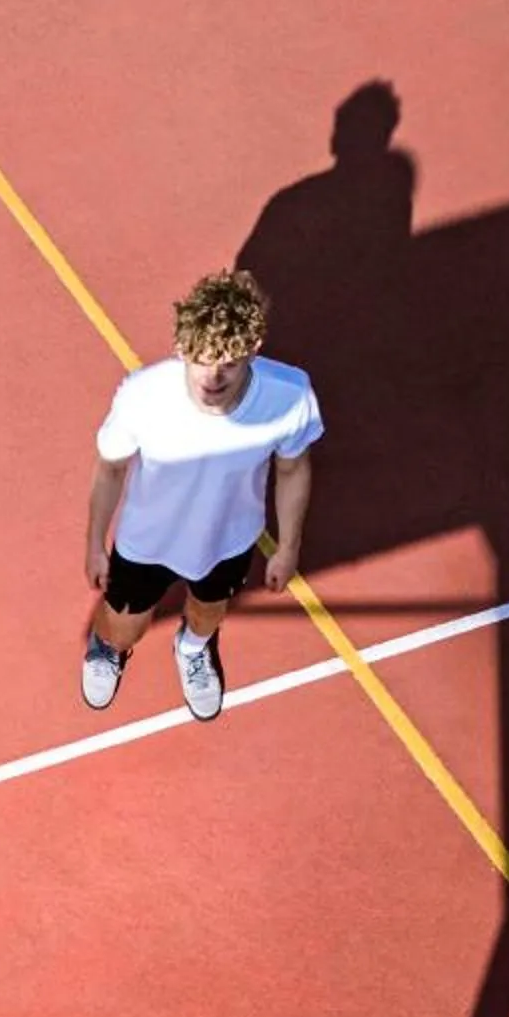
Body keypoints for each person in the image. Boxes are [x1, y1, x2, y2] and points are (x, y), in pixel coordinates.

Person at [80, 269, 322, 721]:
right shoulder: (142, 395)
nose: (213, 376)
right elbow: (111, 468)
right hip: (146, 542)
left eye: (228, 362)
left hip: (229, 540)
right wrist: (95, 544)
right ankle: (107, 647)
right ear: (181, 348)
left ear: (253, 349)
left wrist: (289, 546)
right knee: (123, 628)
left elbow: (293, 469)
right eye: (202, 359)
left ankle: (192, 648)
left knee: (208, 613)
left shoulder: (289, 396)